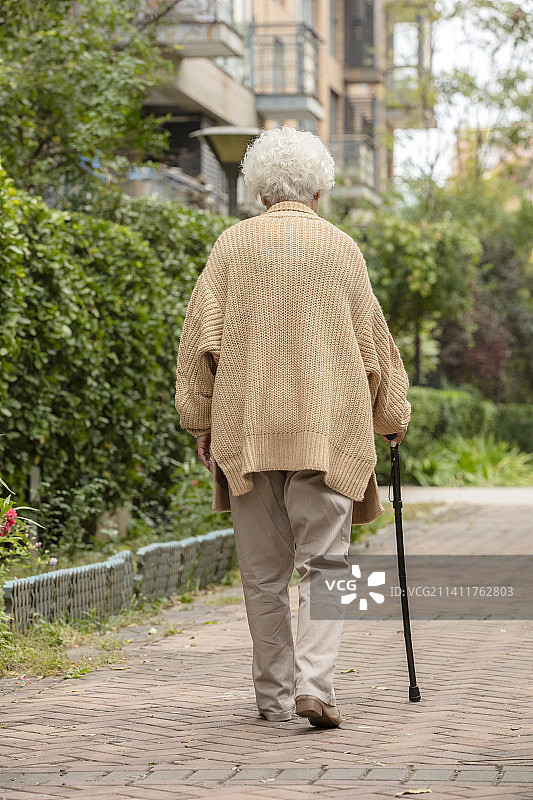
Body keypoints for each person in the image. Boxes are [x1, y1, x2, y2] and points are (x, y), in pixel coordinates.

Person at [175, 126, 410, 728]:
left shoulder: (231, 246)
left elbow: (200, 340)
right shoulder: (341, 249)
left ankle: (273, 697)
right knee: (328, 564)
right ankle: (316, 686)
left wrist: (198, 419)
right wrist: (392, 418)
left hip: (247, 431)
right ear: (319, 190)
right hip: (329, 430)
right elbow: (374, 346)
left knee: (262, 573)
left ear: (258, 191)